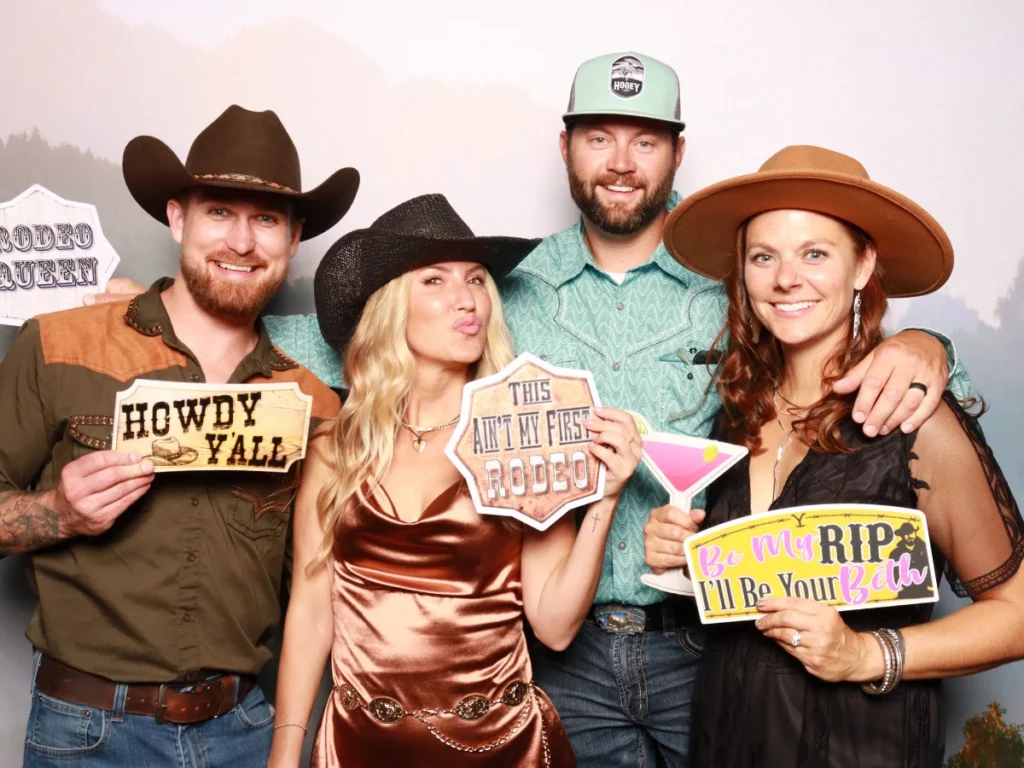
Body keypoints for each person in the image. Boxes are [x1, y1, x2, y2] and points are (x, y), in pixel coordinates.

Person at [90, 52, 970, 768]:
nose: (621, 161)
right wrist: (163, 310)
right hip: (564, 655)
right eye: (598, 138)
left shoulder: (733, 290)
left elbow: (817, 323)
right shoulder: (506, 287)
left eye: (645, 141)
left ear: (676, 152)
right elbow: (326, 340)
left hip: (704, 646)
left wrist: (924, 347)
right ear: (565, 150)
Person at [643, 145, 1024, 768]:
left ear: (863, 265)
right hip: (728, 738)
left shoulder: (912, 418)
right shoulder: (735, 418)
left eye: (815, 253)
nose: (786, 278)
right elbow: (762, 580)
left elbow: (1018, 615)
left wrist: (866, 655)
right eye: (764, 257)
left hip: (857, 747)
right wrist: (687, 557)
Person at [0, 105, 354, 767]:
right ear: (177, 217)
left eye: (267, 219)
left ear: (294, 236)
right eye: (220, 211)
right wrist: (58, 513)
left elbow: (319, 588)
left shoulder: (313, 403)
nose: (242, 242)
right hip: (87, 735)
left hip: (245, 731)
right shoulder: (60, 343)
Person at [266, 193, 643, 767]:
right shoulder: (336, 446)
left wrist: (605, 500)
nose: (466, 300)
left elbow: (556, 625)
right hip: (359, 745)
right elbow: (312, 610)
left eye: (475, 280)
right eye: (435, 281)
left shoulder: (520, 436)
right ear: (389, 306)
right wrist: (284, 752)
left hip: (497, 745)